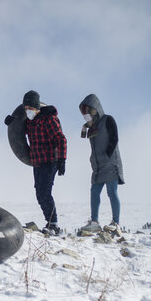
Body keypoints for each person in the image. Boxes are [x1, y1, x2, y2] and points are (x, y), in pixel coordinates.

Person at [22, 90, 67, 236]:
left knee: (45, 193)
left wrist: (62, 160)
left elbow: (61, 139)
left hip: (50, 161)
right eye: (26, 109)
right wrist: (11, 122)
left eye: (30, 108)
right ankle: (49, 222)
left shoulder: (48, 120)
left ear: (37, 107)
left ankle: (54, 225)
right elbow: (20, 131)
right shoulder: (29, 121)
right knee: (39, 193)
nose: (28, 111)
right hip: (37, 162)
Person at [78, 94, 125, 234]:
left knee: (112, 192)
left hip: (111, 163)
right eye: (84, 114)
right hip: (97, 167)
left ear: (95, 109)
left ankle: (116, 223)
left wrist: (107, 154)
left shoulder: (107, 120)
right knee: (94, 192)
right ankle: (94, 221)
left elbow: (114, 138)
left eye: (88, 112)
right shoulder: (90, 127)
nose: (86, 116)